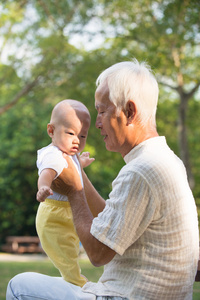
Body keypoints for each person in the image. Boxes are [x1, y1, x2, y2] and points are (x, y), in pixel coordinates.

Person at [6, 59, 199, 300]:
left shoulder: (139, 171)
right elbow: (111, 224)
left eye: (102, 111)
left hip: (125, 296)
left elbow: (97, 254)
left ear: (129, 111)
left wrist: (75, 192)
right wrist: (76, 170)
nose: (97, 124)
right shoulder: (166, 161)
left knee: (19, 285)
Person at [35, 99, 94, 287]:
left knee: (73, 248)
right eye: (70, 133)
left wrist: (81, 163)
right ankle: (76, 282)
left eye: (83, 136)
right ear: (51, 131)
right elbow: (47, 172)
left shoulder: (68, 154)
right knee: (64, 252)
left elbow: (70, 168)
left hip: (68, 211)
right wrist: (43, 187)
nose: (77, 140)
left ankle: (74, 280)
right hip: (54, 215)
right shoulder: (52, 154)